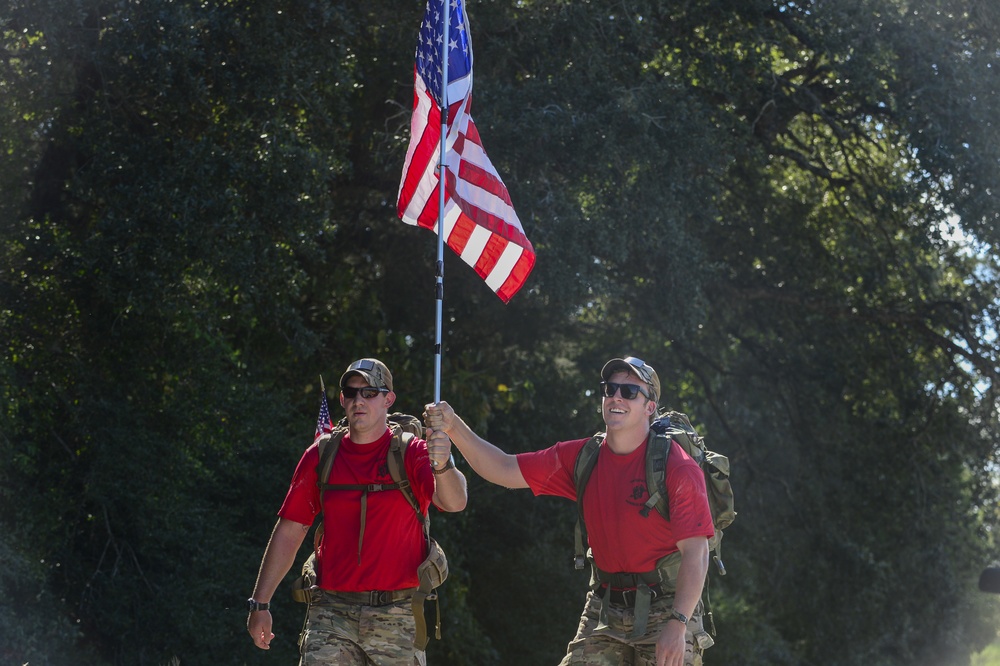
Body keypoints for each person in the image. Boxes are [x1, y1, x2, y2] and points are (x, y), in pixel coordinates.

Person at [425, 356, 715, 666]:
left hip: (667, 605)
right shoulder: (582, 458)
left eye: (630, 392)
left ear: (649, 407)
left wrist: (679, 622)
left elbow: (697, 553)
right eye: (610, 389)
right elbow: (503, 467)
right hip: (605, 605)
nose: (616, 397)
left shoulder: (677, 467)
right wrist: (453, 426)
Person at [248, 357, 468, 665]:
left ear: (388, 399)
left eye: (369, 392)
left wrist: (443, 463)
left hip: (398, 613)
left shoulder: (412, 452)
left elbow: (455, 502)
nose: (358, 400)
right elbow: (290, 529)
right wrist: (260, 603)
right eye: (351, 393)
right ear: (342, 399)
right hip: (331, 612)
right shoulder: (321, 455)